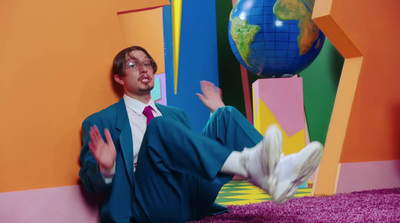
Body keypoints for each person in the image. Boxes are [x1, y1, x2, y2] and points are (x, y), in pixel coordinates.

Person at [79, 46, 323, 223]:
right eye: (133, 65)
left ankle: (278, 171)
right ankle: (255, 167)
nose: (143, 69)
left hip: (192, 197)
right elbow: (89, 182)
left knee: (224, 114)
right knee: (158, 127)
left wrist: (217, 114)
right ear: (118, 78)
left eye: (147, 63)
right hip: (151, 204)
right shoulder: (101, 122)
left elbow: (192, 155)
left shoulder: (175, 114)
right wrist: (106, 168)